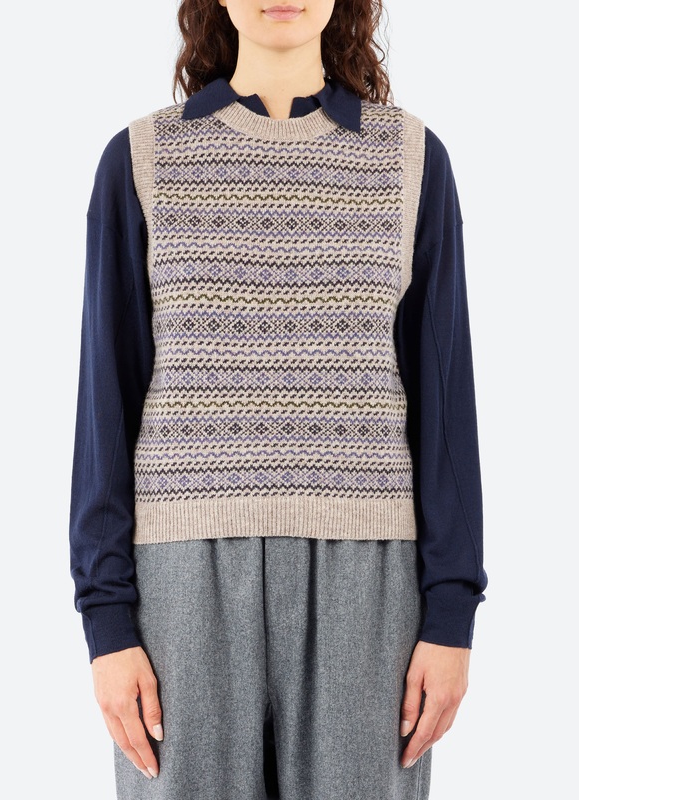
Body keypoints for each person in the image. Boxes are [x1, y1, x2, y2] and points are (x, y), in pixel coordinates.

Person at [69, 1, 489, 798]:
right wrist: (107, 622)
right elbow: (104, 407)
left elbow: (446, 406)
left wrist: (450, 613)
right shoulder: (141, 161)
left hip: (369, 580)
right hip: (182, 582)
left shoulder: (411, 162)